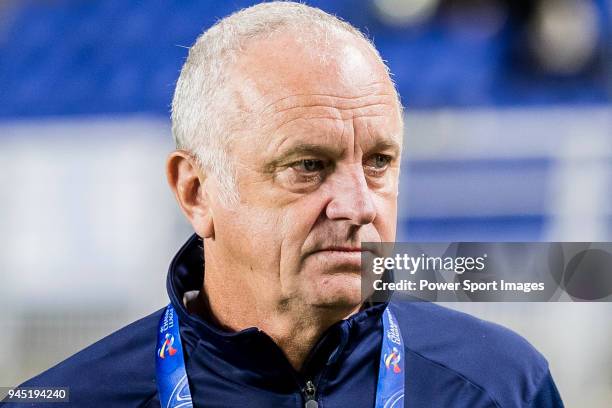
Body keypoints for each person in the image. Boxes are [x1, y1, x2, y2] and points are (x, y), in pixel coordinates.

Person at [3, 2, 563, 407]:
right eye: (308, 167)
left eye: (379, 163)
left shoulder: (502, 385)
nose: (358, 206)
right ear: (196, 193)